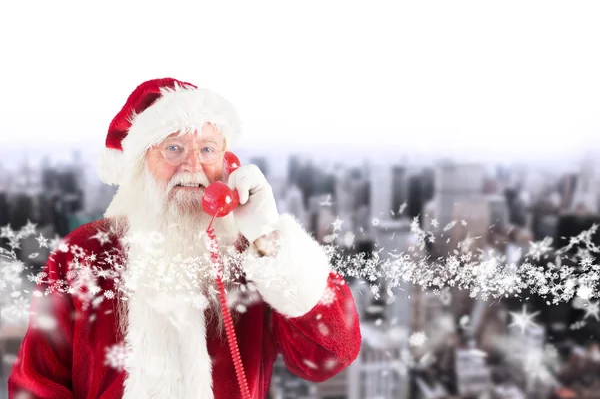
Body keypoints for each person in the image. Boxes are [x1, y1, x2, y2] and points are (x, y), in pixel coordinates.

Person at [8, 78, 362, 398]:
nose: (193, 165)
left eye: (208, 149)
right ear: (140, 165)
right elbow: (37, 383)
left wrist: (268, 237)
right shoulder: (83, 253)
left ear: (227, 163)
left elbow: (328, 356)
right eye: (173, 148)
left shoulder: (252, 256)